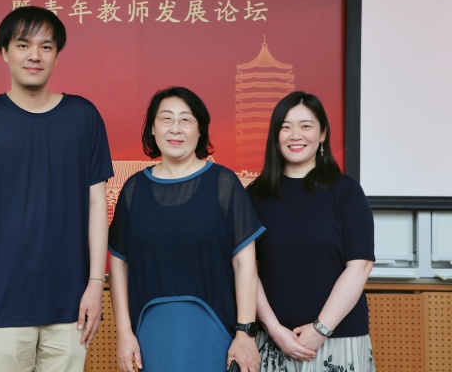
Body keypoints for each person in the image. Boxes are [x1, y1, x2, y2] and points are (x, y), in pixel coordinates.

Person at [0, 6, 114, 372]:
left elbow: (97, 205)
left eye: (46, 47)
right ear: (4, 52)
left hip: (71, 305)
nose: (35, 55)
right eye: (23, 45)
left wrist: (95, 285)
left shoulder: (83, 116)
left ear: (57, 55)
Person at [109, 86, 265, 372]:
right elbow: (119, 263)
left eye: (186, 119)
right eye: (166, 119)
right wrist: (123, 332)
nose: (175, 129)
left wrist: (245, 333)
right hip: (149, 336)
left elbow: (245, 264)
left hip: (215, 334)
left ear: (200, 129)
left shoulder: (224, 184)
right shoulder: (133, 190)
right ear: (152, 128)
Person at [246, 91, 376, 372]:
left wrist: (321, 329)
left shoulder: (346, 191)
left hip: (338, 338)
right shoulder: (255, 195)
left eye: (306, 125)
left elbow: (360, 266)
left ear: (322, 134)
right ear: (275, 135)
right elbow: (247, 270)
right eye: (285, 126)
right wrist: (274, 329)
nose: (296, 135)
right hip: (273, 339)